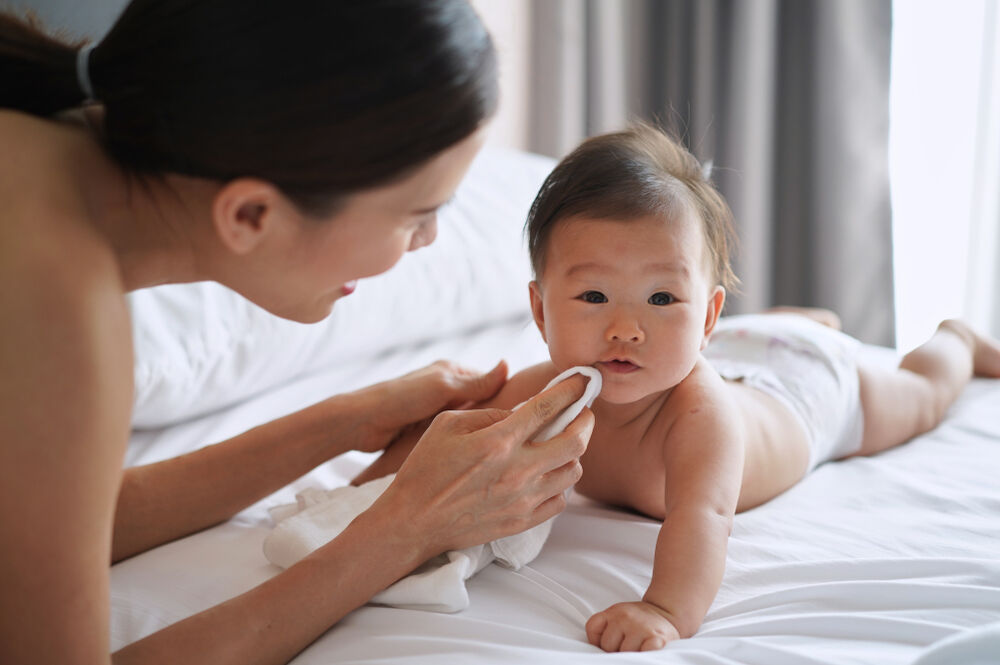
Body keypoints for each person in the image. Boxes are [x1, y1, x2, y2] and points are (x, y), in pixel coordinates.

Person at [0, 2, 595, 664]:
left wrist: (344, 422)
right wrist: (406, 528)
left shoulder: (36, 139)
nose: (429, 242)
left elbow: (42, 524)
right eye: (417, 215)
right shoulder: (60, 311)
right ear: (252, 213)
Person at [358, 123, 1000, 652]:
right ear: (540, 310)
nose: (626, 329)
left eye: (662, 297)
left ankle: (956, 341)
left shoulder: (701, 417)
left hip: (807, 398)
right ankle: (788, 323)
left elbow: (704, 517)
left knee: (918, 396)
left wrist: (664, 609)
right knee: (715, 347)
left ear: (707, 313)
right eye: (593, 296)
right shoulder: (542, 390)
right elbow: (438, 443)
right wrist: (365, 500)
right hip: (738, 351)